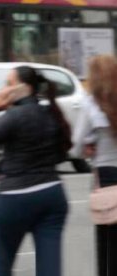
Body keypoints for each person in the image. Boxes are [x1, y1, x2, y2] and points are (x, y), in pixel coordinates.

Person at [0, 66, 71, 276]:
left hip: (14, 197)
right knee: (50, 268)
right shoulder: (51, 113)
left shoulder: (14, 116)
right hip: (52, 193)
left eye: (9, 84)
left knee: (2, 266)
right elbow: (62, 153)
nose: (4, 89)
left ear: (23, 88)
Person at [70, 55, 117, 276]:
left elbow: (76, 146)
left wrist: (89, 146)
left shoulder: (91, 103)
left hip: (106, 176)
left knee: (105, 237)